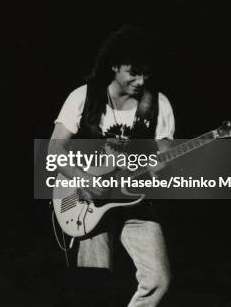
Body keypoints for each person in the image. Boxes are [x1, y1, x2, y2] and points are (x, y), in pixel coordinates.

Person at [50, 25, 174, 306]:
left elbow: (163, 155)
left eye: (146, 73)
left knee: (157, 279)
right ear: (115, 66)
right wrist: (81, 178)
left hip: (134, 198)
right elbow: (53, 149)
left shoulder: (158, 104)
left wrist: (159, 166)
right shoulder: (83, 97)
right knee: (92, 284)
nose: (140, 81)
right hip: (87, 200)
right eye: (133, 72)